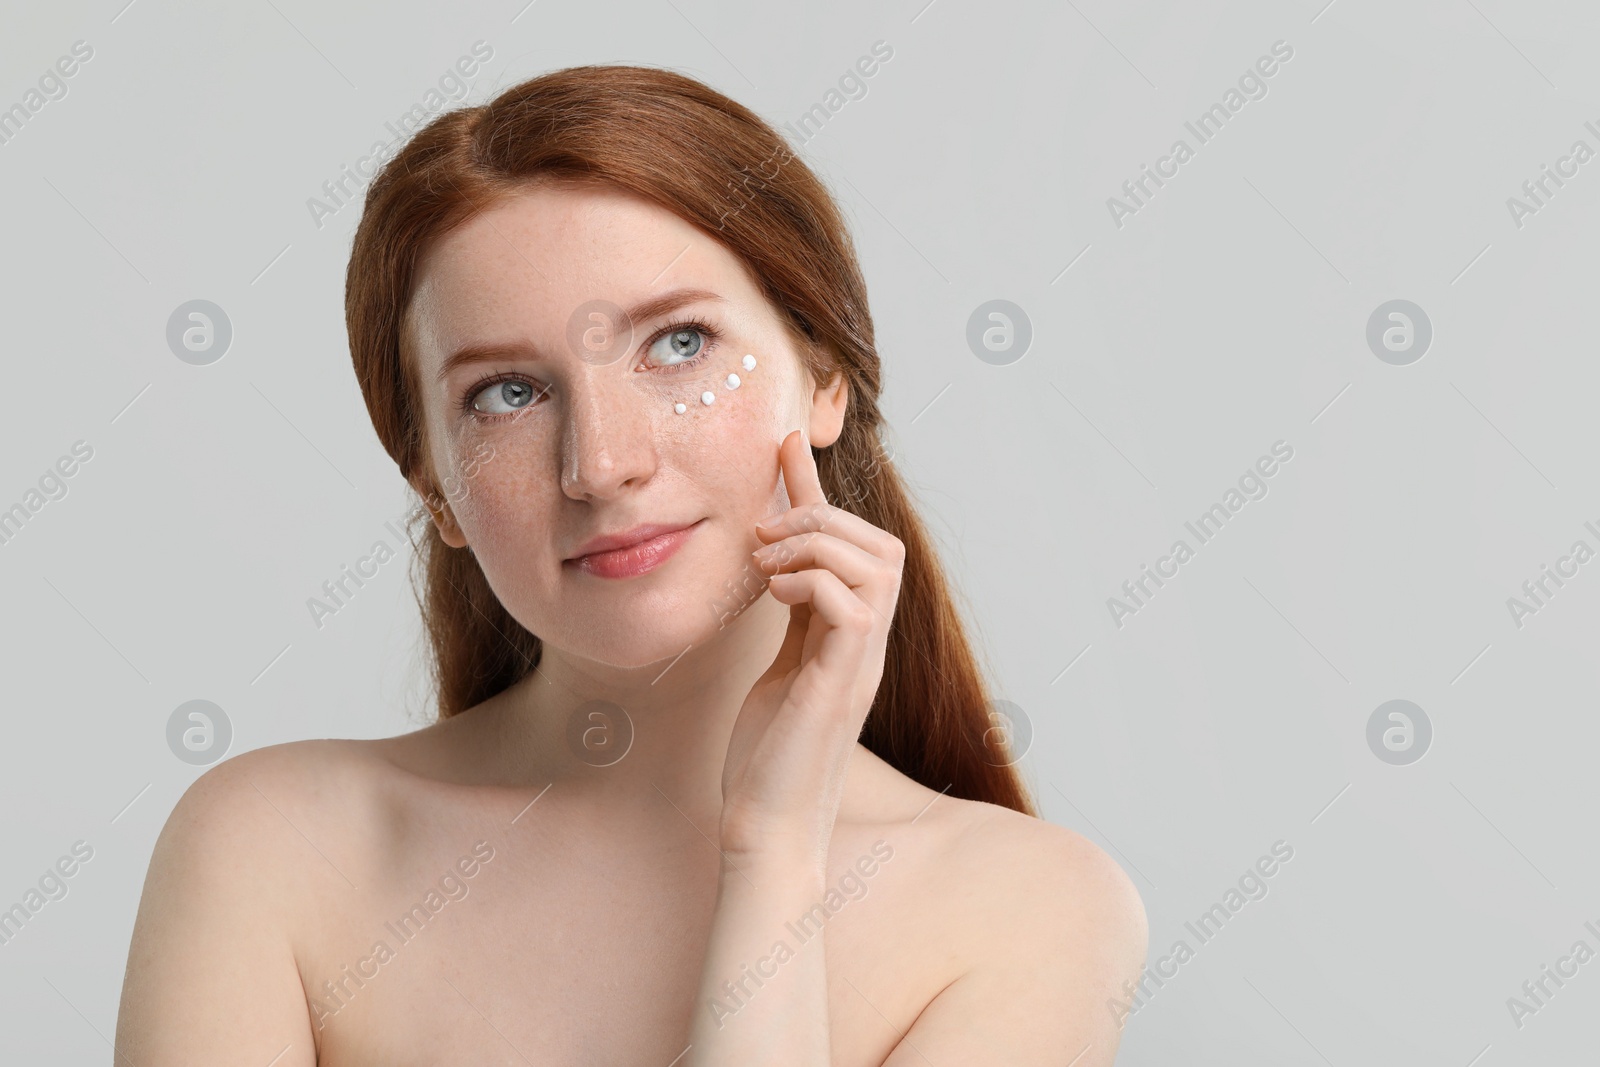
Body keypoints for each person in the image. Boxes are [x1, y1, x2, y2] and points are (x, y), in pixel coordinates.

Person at [116, 64, 1147, 1065]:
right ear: (435, 488)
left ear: (824, 377)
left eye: (680, 343)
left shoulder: (1034, 911)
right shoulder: (270, 855)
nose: (603, 463)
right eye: (507, 394)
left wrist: (774, 855)